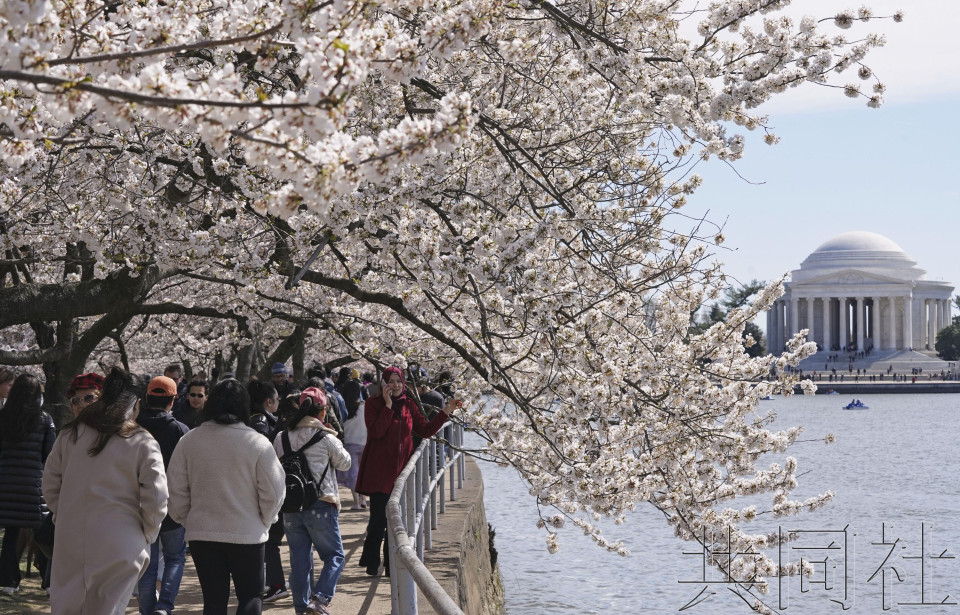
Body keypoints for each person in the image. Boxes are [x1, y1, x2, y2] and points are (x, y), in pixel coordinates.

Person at [42, 367, 168, 615]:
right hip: (121, 539)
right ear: (136, 404)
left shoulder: (69, 434)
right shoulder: (142, 440)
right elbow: (156, 496)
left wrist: (63, 515)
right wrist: (148, 532)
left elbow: (50, 484)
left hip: (71, 538)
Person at [167, 379, 285, 615]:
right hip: (247, 532)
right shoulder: (257, 442)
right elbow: (273, 491)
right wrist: (265, 519)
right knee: (251, 596)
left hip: (203, 533)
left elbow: (175, 490)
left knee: (213, 601)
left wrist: (187, 520)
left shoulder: (189, 441)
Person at [355, 367, 459, 576]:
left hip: (401, 472)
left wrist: (446, 411)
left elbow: (426, 430)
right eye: (390, 381)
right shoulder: (373, 404)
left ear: (403, 384)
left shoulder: (409, 404)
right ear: (383, 384)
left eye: (398, 381)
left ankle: (390, 566)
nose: (394, 386)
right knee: (378, 519)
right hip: (380, 470)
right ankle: (372, 560)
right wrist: (388, 406)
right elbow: (376, 432)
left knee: (396, 520)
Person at [275, 389, 351, 615]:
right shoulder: (326, 437)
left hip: (291, 507)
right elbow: (345, 464)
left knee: (299, 562)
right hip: (321, 504)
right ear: (323, 410)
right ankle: (319, 599)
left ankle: (302, 609)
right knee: (334, 556)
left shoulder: (281, 437)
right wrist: (334, 436)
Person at [136, 376, 191, 615]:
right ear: (172, 401)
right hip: (173, 504)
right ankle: (165, 606)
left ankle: (147, 610)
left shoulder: (133, 427)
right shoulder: (180, 430)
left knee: (147, 564)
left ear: (147, 398)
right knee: (175, 558)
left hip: (140, 504)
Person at [0, 374, 57, 594]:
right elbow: (50, 455)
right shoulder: (44, 420)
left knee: (12, 534)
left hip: (5, 484)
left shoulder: (3, 417)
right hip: (33, 485)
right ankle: (49, 581)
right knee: (43, 532)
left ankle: (8, 581)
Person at [247, 380, 289, 603]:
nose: (279, 404)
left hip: (265, 487)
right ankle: (276, 583)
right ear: (268, 402)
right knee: (270, 540)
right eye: (276, 400)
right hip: (268, 486)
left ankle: (275, 582)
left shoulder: (257, 422)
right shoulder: (262, 425)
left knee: (269, 540)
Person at [337, 382, 367, 510]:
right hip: (365, 443)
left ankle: (357, 502)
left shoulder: (343, 408)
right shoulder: (365, 406)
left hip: (350, 444)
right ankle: (364, 499)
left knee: (353, 474)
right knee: (363, 472)